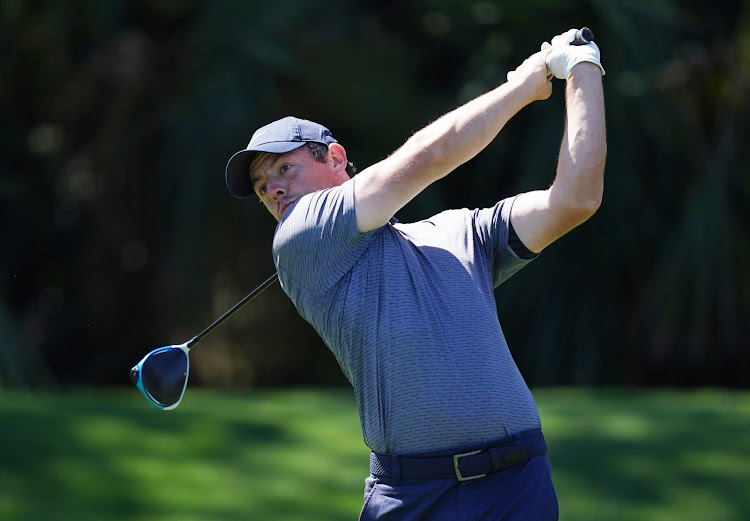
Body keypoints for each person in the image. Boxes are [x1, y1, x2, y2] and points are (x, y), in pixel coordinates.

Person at [224, 28, 605, 521]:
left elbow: (575, 200)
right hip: (415, 496)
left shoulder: (459, 231)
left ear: (335, 159)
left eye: (283, 169)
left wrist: (582, 68)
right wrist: (528, 81)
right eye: (260, 186)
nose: (272, 190)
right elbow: (430, 155)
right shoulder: (299, 237)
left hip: (517, 486)